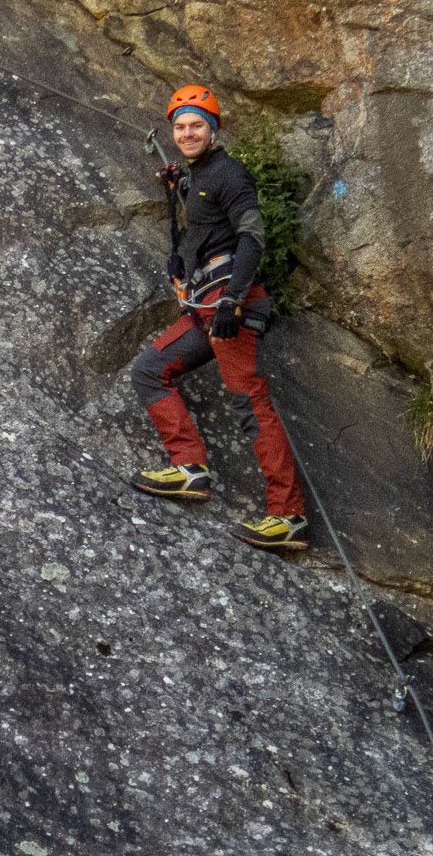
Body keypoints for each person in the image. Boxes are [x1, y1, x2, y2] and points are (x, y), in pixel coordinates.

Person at [128, 86, 309, 550]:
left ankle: (287, 517)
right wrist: (178, 190)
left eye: (197, 126)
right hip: (205, 307)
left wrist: (233, 300)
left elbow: (252, 236)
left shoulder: (230, 174)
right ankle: (189, 468)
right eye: (181, 127)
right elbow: (207, 223)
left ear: (214, 129)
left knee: (248, 402)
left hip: (228, 307)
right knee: (150, 368)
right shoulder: (199, 176)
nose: (187, 133)